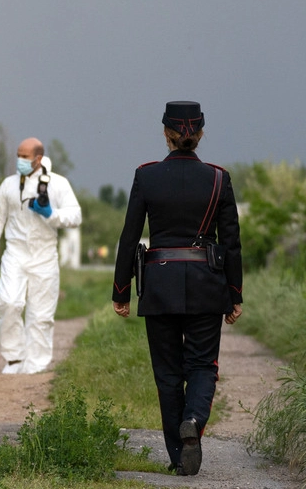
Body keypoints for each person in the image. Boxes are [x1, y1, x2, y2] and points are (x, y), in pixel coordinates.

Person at [111, 101, 243, 477]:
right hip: (207, 285)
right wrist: (235, 293)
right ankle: (195, 421)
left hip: (159, 286)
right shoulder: (219, 178)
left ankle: (177, 457)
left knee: (168, 372)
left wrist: (121, 290)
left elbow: (129, 237)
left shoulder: (146, 176)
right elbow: (232, 243)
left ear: (166, 134)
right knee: (203, 364)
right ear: (199, 135)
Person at [0, 139, 82, 374]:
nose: (20, 161)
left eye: (25, 156)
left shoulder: (57, 184)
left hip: (44, 256)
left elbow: (76, 216)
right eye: (18, 155)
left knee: (40, 314)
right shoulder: (8, 185)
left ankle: (36, 366)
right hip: (15, 254)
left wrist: (52, 215)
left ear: (39, 158)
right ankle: (13, 359)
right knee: (9, 302)